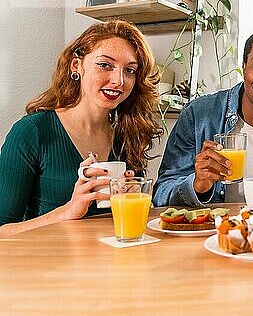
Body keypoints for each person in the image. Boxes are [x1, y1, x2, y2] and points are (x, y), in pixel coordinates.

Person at [0, 20, 162, 237]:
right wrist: (67, 211)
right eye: (105, 65)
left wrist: (133, 197)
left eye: (130, 70)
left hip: (107, 264)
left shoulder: (126, 136)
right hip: (47, 265)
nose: (118, 80)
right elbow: (2, 231)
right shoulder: (31, 132)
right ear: (77, 65)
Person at [153, 27, 253, 206]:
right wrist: (198, 185)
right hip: (211, 231)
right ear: (243, 68)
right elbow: (161, 194)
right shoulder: (198, 115)